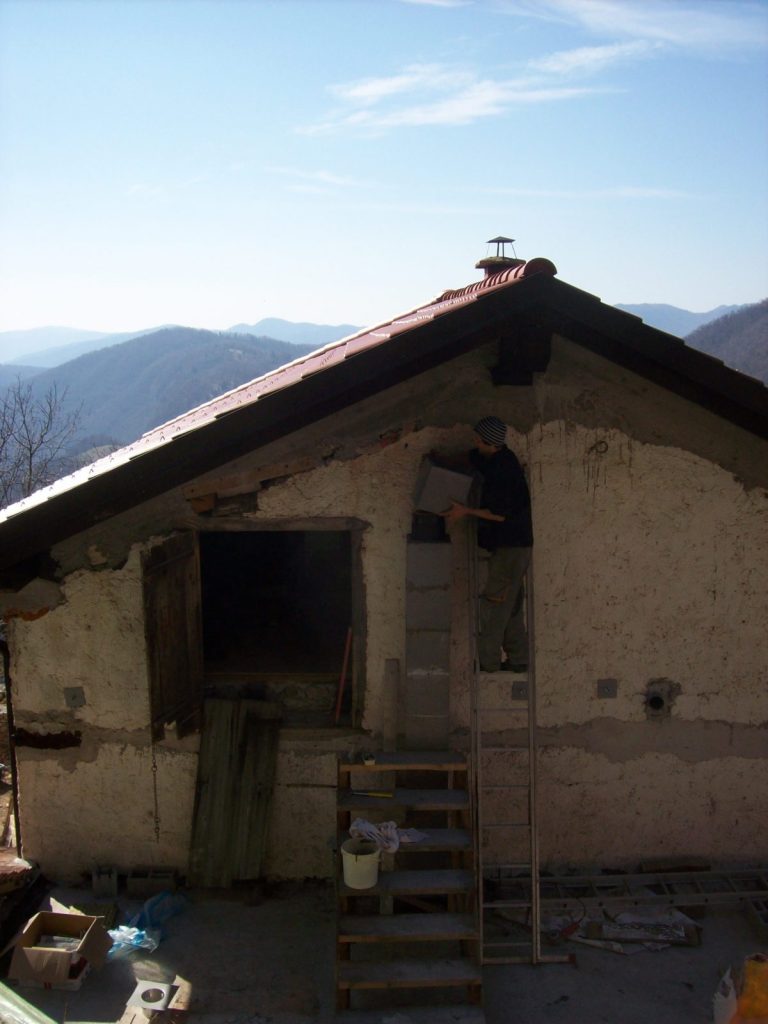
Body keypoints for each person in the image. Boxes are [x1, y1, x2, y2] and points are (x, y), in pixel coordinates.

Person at [442, 416, 532, 673]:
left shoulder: (504, 472)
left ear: (491, 444)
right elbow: (471, 458)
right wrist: (442, 460)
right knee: (510, 603)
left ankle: (488, 661)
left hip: (510, 547)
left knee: (495, 604)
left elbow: (500, 514)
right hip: (513, 546)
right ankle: (519, 658)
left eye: (479, 439)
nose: (475, 442)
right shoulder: (493, 456)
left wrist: (465, 511)